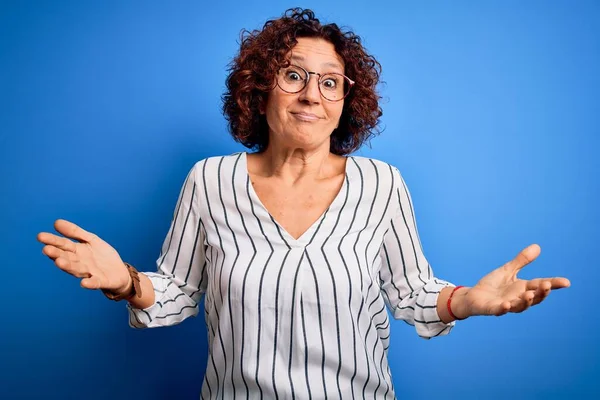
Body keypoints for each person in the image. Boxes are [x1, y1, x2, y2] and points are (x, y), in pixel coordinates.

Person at [36, 8, 570, 400]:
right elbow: (177, 293)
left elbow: (412, 294)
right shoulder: (209, 180)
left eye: (331, 83)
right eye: (294, 75)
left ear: (345, 104)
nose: (312, 95)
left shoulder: (382, 185)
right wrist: (126, 281)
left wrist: (468, 301)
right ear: (260, 89)